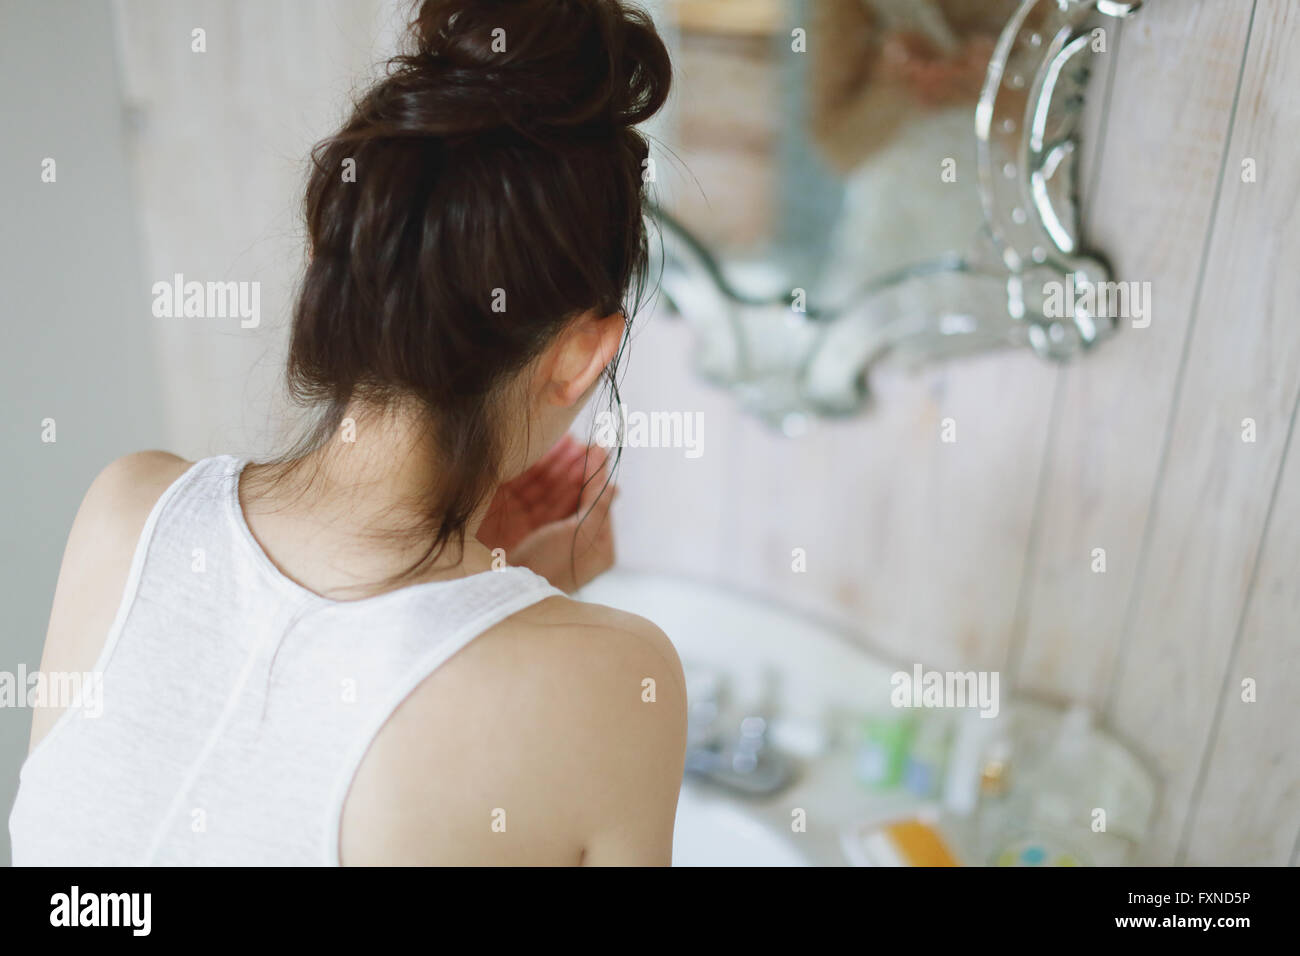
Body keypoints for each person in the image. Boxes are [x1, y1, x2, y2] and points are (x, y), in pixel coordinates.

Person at [10, 0, 687, 866]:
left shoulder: (127, 510)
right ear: (582, 356)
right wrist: (519, 602)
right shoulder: (615, 684)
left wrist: (495, 587)